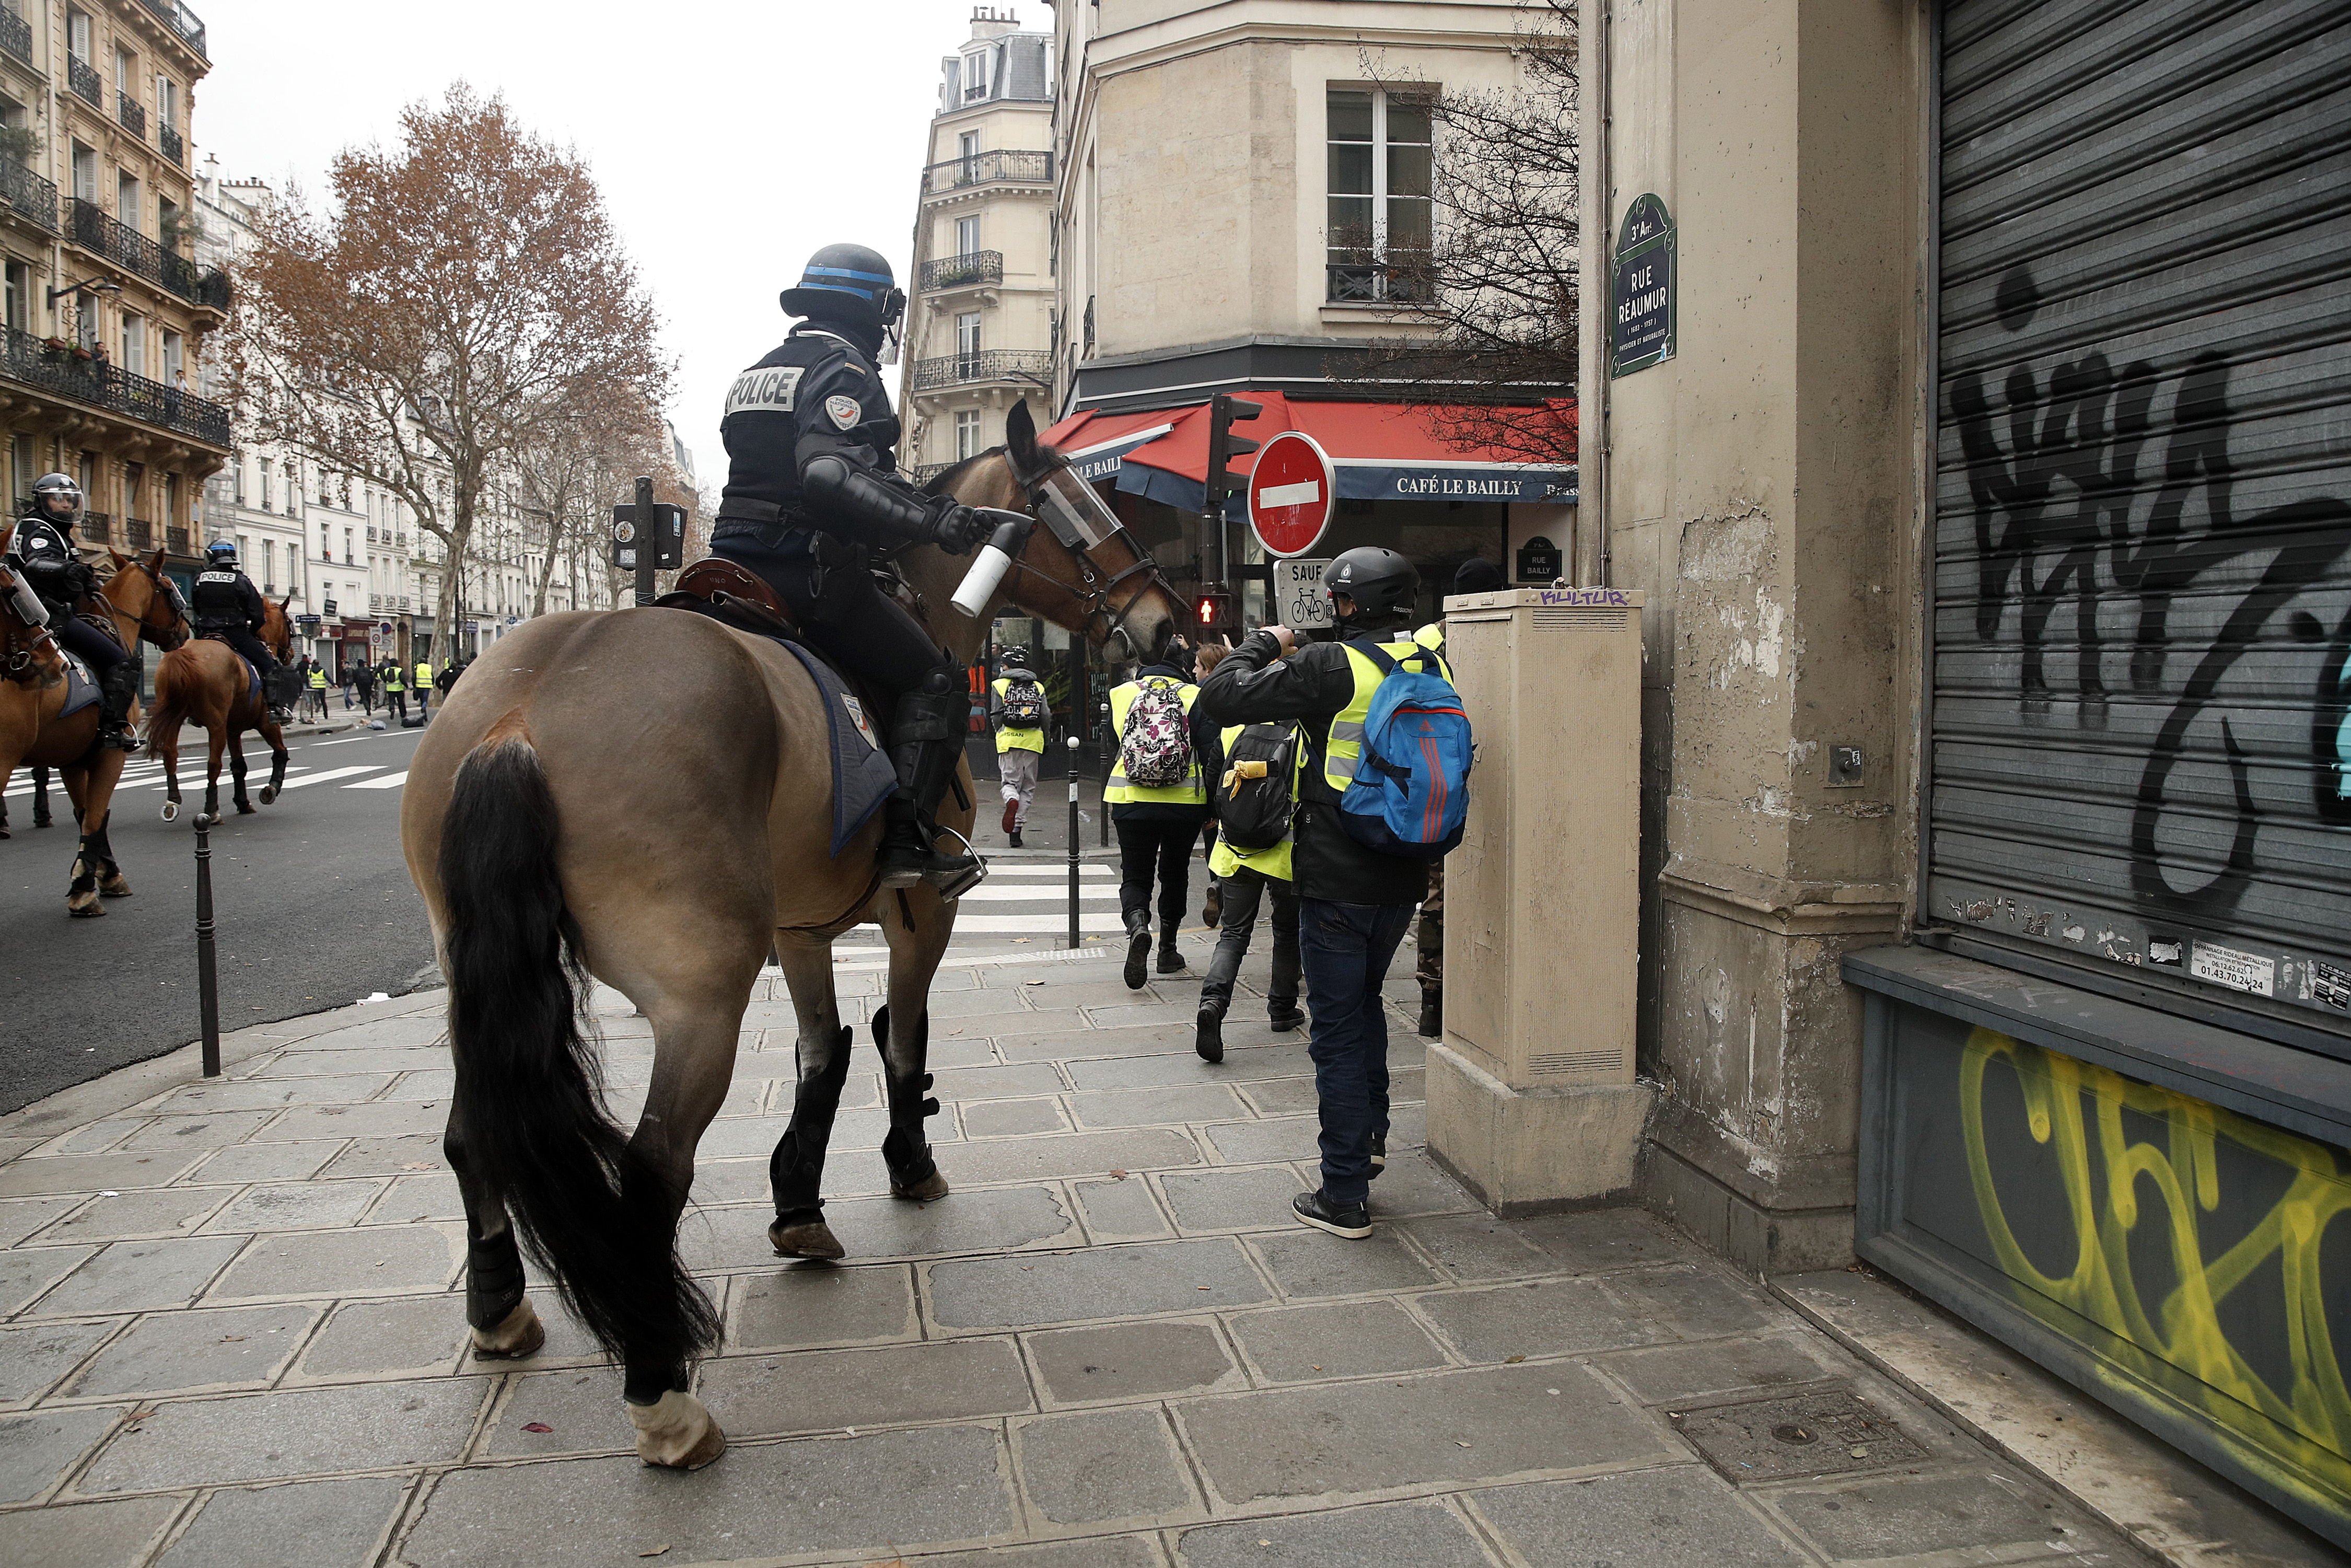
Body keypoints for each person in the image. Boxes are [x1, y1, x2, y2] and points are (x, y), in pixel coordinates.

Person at [709, 242, 1021, 890]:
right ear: (871, 307)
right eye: (887, 312)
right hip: (808, 571)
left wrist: (915, 500)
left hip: (730, 564)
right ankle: (907, 840)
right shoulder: (842, 369)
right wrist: (935, 523)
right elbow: (828, 475)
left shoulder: (758, 371)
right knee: (935, 680)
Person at [1198, 546, 1445, 1240]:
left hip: (1337, 876)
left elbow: (1220, 696)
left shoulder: (1332, 666)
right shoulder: (1428, 663)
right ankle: (1370, 1138)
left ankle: (1343, 1193)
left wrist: (1265, 642)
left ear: (1349, 603)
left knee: (1336, 1029)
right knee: (1363, 1004)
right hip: (1403, 870)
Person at [1408, 557, 1505, 1037]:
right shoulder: (1503, 628)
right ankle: (1481, 984)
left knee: (1437, 891)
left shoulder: (1427, 640)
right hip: (1492, 773)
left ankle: (1432, 998)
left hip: (1435, 779)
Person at [1106, 630, 1221, 990]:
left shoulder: (1123, 694)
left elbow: (1116, 742)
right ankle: (1168, 948)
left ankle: (1139, 924)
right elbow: (1209, 751)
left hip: (1130, 799)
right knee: (1175, 872)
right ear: (1182, 664)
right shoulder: (1195, 696)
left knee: (1135, 874)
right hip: (1183, 803)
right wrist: (1213, 804)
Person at [1195, 718, 1305, 1063]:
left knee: (1233, 934)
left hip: (1235, 847)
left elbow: (1214, 784)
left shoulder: (1233, 730)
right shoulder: (1301, 733)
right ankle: (1283, 1008)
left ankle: (1212, 1002)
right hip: (1283, 850)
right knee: (1287, 931)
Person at [3, 473, 138, 749]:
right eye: (57, 499)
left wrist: (87, 581)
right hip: (44, 614)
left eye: (69, 500)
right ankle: (111, 729)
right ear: (42, 502)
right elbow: (36, 563)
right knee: (120, 660)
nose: (65, 505)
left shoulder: (58, 533)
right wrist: (66, 569)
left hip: (48, 610)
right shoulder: (37, 528)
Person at [190, 539, 283, 714]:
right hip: (235, 634)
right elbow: (258, 615)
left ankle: (192, 710)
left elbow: (196, 607)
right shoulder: (241, 581)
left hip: (206, 635)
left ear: (211, 558)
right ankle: (273, 709)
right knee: (269, 664)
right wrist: (252, 631)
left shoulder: (199, 579)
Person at [991, 646, 1047, 849]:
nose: (1000, 667)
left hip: (1008, 742)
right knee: (1028, 788)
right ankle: (1016, 833)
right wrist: (1046, 740)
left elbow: (996, 715)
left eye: (1003, 665)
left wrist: (1000, 732)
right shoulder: (1038, 687)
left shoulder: (999, 685)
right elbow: (1046, 716)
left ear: (1008, 666)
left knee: (1009, 784)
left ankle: (1011, 799)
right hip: (1032, 743)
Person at [380, 656, 406, 723]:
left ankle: (392, 708)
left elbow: (384, 678)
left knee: (391, 701)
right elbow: (402, 679)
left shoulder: (386, 670)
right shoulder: (399, 670)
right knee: (401, 702)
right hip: (399, 689)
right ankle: (403, 715)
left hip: (390, 689)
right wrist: (406, 685)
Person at [304, 657, 330, 722]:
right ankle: (326, 715)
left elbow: (305, 678)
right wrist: (334, 684)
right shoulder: (322, 670)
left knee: (315, 699)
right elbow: (328, 677)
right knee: (324, 701)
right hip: (322, 688)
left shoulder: (310, 670)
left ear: (313, 664)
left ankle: (318, 705)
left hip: (314, 688)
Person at [412, 655, 434, 719]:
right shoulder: (429, 667)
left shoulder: (417, 667)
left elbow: (414, 677)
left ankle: (424, 714)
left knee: (421, 699)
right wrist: (432, 683)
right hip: (427, 686)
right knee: (425, 699)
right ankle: (424, 708)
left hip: (419, 686)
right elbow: (432, 677)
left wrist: (414, 685)